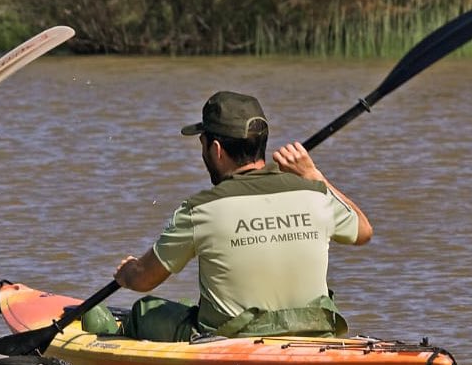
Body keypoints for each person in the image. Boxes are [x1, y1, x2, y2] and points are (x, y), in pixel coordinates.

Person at [97, 90, 372, 340]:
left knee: (145, 311)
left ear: (215, 149)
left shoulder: (199, 209)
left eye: (202, 143)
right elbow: (362, 230)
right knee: (188, 303)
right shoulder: (317, 195)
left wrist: (127, 274)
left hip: (230, 339)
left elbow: (145, 279)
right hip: (314, 331)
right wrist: (315, 176)